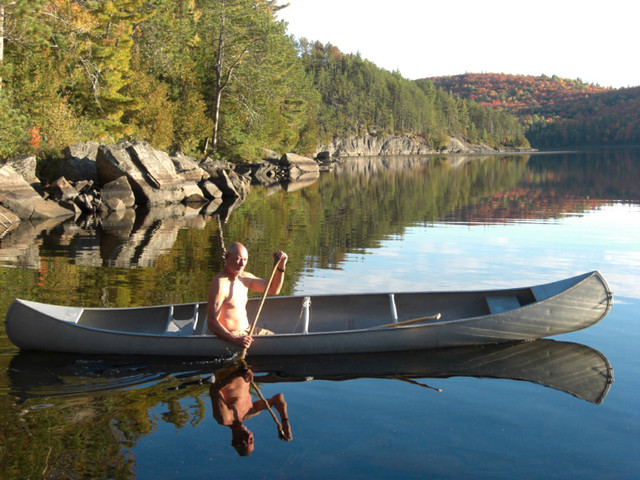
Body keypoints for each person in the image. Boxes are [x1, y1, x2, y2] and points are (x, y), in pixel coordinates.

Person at [207, 242, 287, 348]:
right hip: (231, 335)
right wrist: (235, 339)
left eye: (245, 260)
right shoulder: (220, 283)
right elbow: (211, 322)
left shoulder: (244, 278)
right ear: (227, 257)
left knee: (279, 341)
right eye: (238, 259)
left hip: (248, 330)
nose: (242, 264)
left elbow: (273, 289)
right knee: (278, 346)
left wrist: (281, 267)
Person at [209, 365, 292, 456]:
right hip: (245, 365)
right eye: (251, 440)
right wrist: (284, 422)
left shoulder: (225, 418)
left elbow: (214, 389)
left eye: (245, 442)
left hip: (229, 366)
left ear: (234, 441)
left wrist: (236, 375)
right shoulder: (249, 412)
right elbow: (278, 398)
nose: (248, 438)